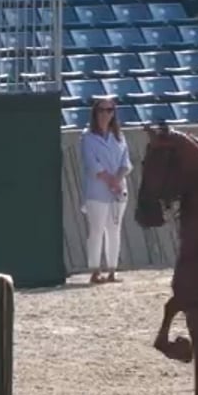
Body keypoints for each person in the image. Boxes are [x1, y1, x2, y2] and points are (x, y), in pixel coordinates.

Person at [81, 98, 131, 283]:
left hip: (118, 190)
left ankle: (112, 270)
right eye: (102, 110)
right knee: (96, 230)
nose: (105, 114)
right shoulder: (87, 137)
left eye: (109, 110)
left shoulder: (119, 136)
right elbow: (92, 164)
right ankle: (95, 269)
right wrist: (110, 180)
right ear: (95, 113)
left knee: (114, 229)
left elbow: (126, 162)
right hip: (97, 191)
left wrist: (117, 180)